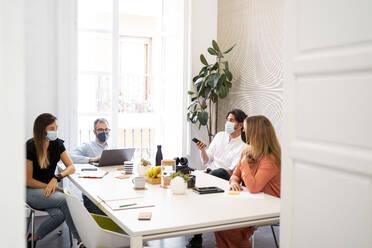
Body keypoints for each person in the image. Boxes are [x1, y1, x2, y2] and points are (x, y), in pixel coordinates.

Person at [215, 115, 281, 248]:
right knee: (219, 223)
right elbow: (235, 175)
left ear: (255, 133)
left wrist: (244, 164)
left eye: (245, 130)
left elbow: (254, 187)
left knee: (230, 229)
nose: (244, 133)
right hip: (251, 201)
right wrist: (233, 182)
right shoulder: (247, 151)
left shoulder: (270, 159)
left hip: (270, 204)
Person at [187, 109, 247, 248]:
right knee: (183, 168)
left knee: (217, 172)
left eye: (231, 120)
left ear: (240, 125)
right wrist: (202, 150)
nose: (228, 123)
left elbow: (231, 171)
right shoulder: (220, 136)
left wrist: (207, 173)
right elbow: (207, 160)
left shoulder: (243, 146)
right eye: (227, 120)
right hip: (209, 172)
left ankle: (197, 236)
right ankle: (196, 232)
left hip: (224, 177)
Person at [26, 113, 86, 248]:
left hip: (47, 191)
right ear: (42, 129)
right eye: (52, 128)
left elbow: (71, 167)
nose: (55, 131)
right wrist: (50, 186)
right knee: (65, 200)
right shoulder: (30, 146)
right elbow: (28, 181)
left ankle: (33, 238)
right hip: (30, 191)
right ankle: (80, 240)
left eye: (56, 128)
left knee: (59, 215)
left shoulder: (57, 144)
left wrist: (56, 178)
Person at [69, 118, 110, 215]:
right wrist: (91, 159)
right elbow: (70, 156)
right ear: (94, 131)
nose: (104, 132)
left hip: (108, 190)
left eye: (106, 129)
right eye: (100, 129)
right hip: (92, 193)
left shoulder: (111, 147)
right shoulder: (88, 146)